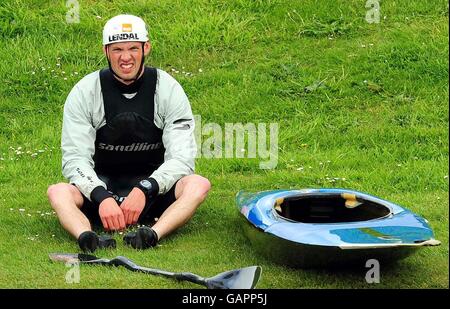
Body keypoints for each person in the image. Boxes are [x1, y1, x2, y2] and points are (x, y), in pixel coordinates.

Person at [47, 14, 211, 252]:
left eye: (133, 48)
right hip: (101, 193)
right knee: (58, 191)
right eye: (117, 49)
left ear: (146, 48)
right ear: (106, 51)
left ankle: (151, 234)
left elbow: (182, 158)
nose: (126, 57)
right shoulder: (85, 91)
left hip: (154, 193)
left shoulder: (168, 89)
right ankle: (88, 238)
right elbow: (75, 159)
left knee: (198, 184)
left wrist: (146, 188)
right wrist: (102, 197)